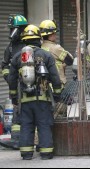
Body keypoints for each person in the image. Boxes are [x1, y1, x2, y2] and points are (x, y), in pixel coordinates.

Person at [8, 24, 62, 160]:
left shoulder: (16, 57)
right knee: (44, 124)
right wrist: (57, 93)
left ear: (24, 40)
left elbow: (12, 79)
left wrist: (14, 96)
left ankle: (26, 154)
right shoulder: (46, 55)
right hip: (43, 99)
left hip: (25, 100)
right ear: (39, 39)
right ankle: (46, 153)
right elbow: (55, 77)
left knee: (26, 126)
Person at [0, 14, 28, 150]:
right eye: (12, 29)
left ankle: (29, 139)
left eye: (16, 29)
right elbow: (4, 65)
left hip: (30, 83)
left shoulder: (30, 43)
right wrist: (8, 77)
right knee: (17, 110)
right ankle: (16, 139)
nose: (13, 33)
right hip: (16, 84)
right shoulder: (11, 47)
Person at [39, 20, 74, 85]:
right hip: (57, 84)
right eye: (54, 33)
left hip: (43, 85)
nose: (55, 35)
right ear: (51, 35)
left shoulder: (39, 47)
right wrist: (63, 65)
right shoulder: (56, 48)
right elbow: (70, 60)